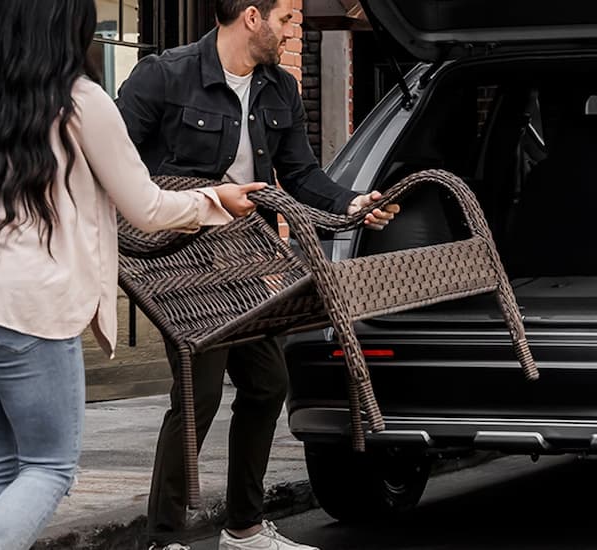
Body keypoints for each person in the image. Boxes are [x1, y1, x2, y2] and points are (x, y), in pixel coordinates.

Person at [0, 2, 263, 548]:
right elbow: (146, 207)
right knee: (47, 468)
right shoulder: (80, 100)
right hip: (25, 306)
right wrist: (215, 199)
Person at [114, 1, 399, 548]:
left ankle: (243, 528)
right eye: (286, 19)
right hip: (182, 263)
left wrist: (352, 202)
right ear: (252, 16)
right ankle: (163, 538)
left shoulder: (278, 87)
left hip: (249, 259)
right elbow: (117, 167)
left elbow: (300, 173)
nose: (293, 29)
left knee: (268, 385)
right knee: (198, 396)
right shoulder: (164, 76)